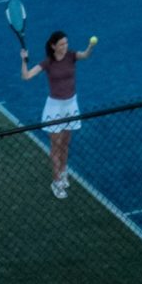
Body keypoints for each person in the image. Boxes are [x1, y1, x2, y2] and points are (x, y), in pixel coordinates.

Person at [20, 29, 98, 198]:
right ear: (53, 46)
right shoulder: (47, 63)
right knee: (56, 145)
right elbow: (26, 76)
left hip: (71, 106)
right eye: (62, 44)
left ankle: (63, 172)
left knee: (65, 144)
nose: (65, 46)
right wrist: (24, 60)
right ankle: (56, 181)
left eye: (66, 43)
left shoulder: (71, 56)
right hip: (54, 108)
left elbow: (84, 55)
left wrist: (90, 46)